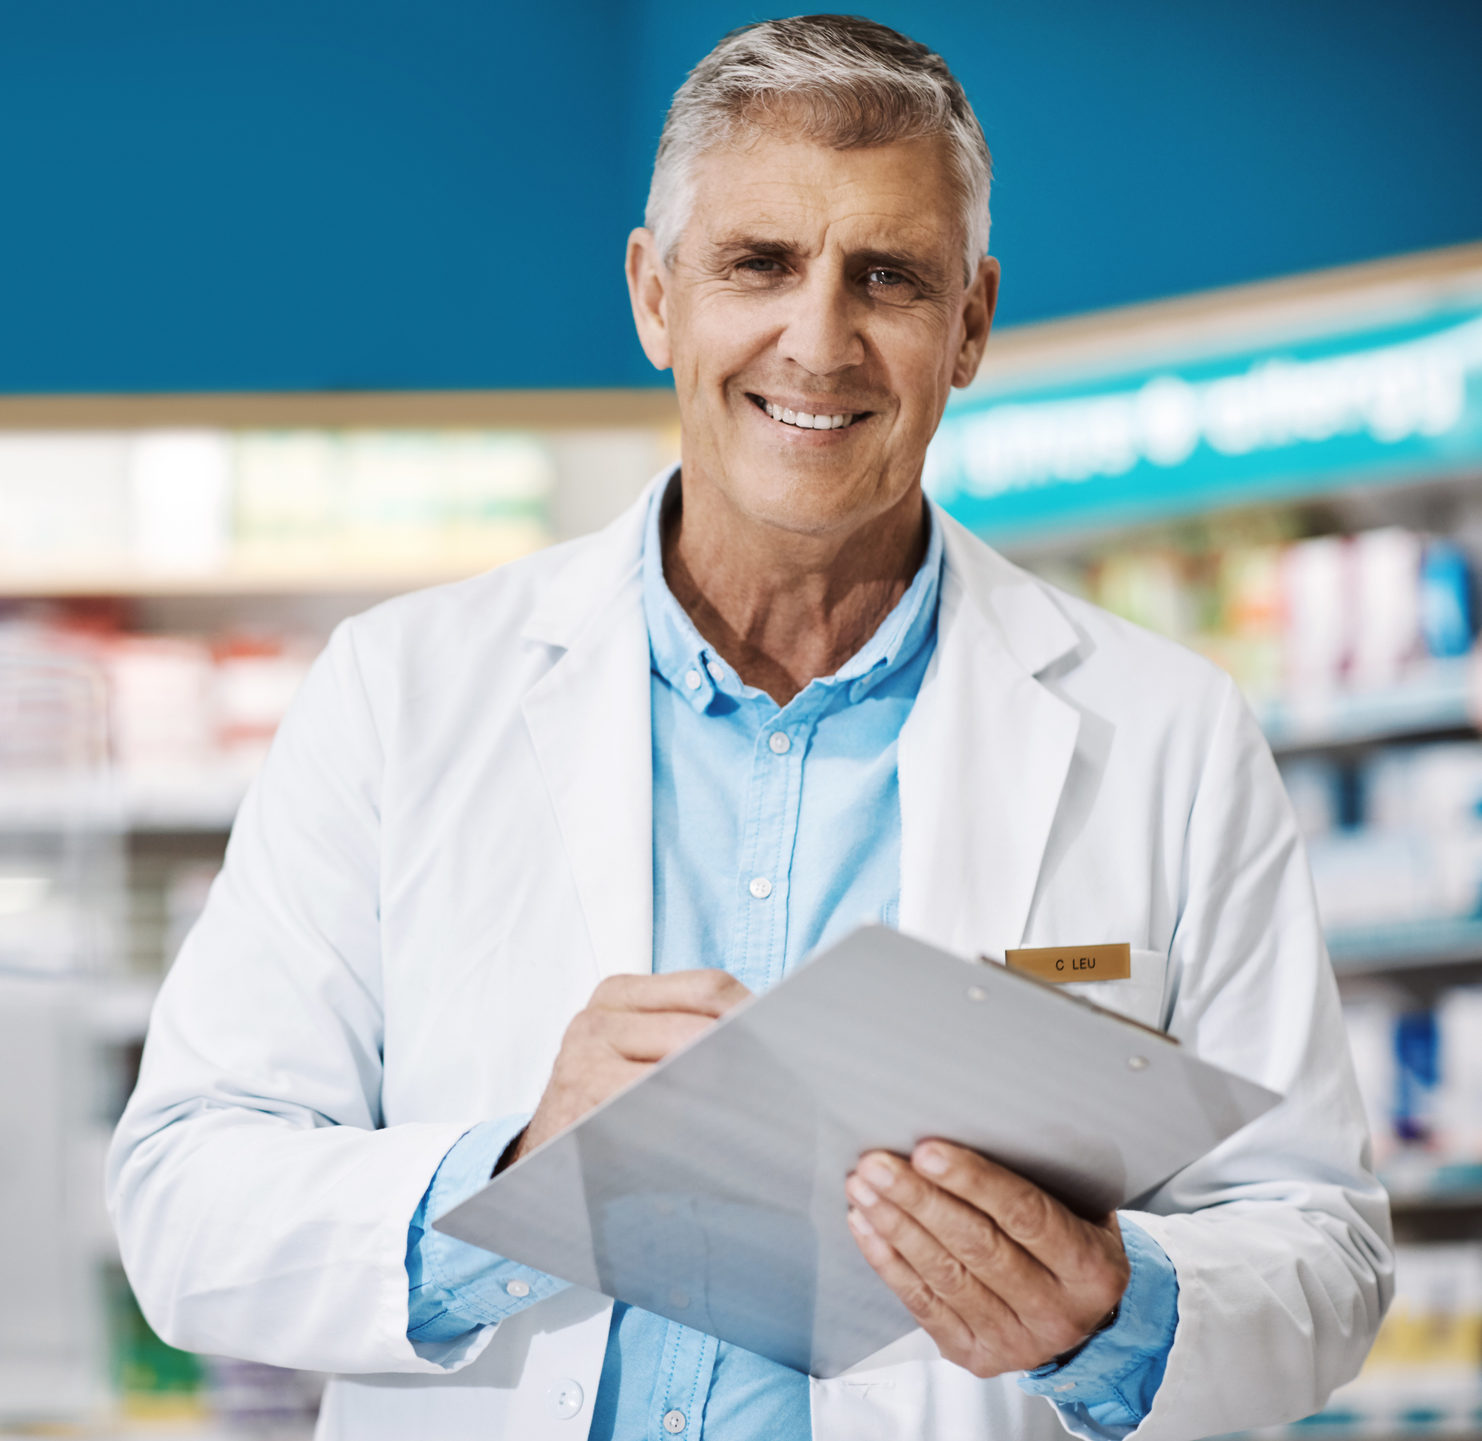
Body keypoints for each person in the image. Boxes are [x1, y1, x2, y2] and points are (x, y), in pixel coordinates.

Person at [108, 16, 1392, 1441]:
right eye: (758, 265)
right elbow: (183, 1195)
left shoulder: (1164, 732)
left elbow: (1317, 1239)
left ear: (970, 321)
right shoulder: (401, 690)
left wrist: (1112, 1305)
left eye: (888, 278)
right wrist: (517, 1174)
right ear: (655, 296)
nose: (818, 339)